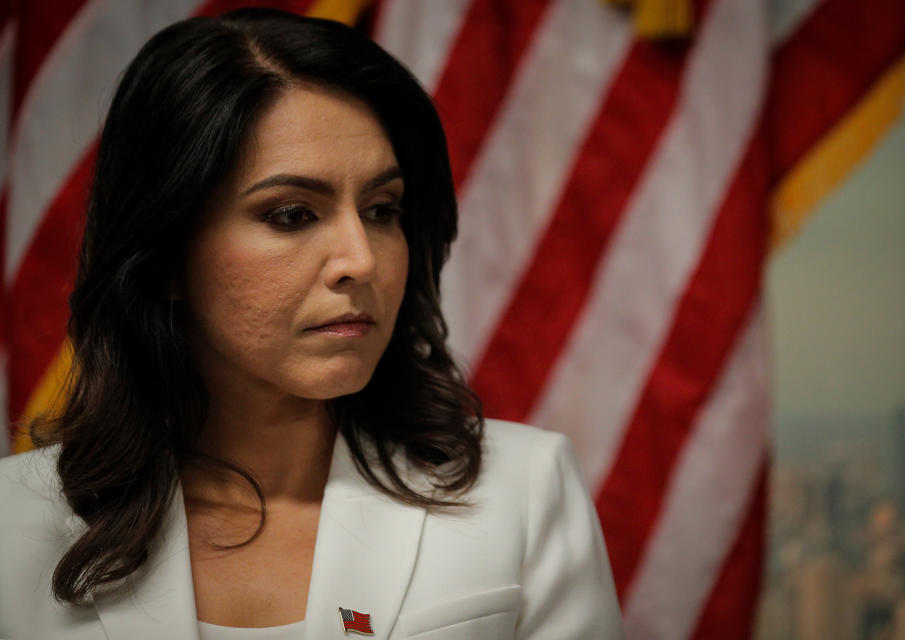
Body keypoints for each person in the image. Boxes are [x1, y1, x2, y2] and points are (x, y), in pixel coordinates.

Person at [0, 9, 623, 640]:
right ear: (166, 256)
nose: (361, 259)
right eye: (293, 214)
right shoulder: (10, 523)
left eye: (383, 209)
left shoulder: (525, 490)